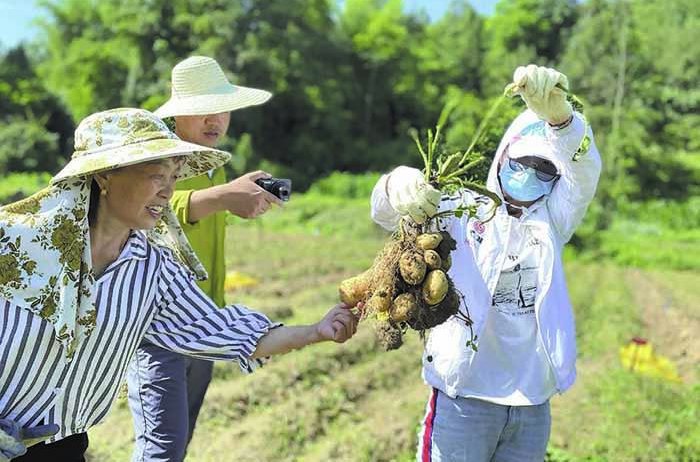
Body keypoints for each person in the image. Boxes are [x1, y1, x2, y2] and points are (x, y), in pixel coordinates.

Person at [0, 108, 358, 462]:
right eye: (156, 175)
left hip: (64, 447)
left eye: (174, 177)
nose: (167, 191)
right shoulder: (17, 245)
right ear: (104, 177)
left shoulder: (153, 271)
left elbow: (226, 331)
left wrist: (317, 331)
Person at [370, 65, 602, 462]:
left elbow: (584, 173)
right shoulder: (462, 207)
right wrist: (397, 185)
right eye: (522, 162)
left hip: (531, 402)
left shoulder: (554, 220)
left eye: (544, 169)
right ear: (502, 158)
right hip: (465, 399)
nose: (530, 174)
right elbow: (384, 212)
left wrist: (563, 121)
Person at [126, 56, 282, 462]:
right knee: (161, 448)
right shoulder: (161, 155)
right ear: (178, 114)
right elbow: (156, 208)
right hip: (160, 324)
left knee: (179, 441)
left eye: (222, 109)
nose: (215, 120)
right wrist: (224, 197)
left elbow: (194, 214)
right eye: (202, 111)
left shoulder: (212, 165)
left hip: (205, 319)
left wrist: (231, 199)